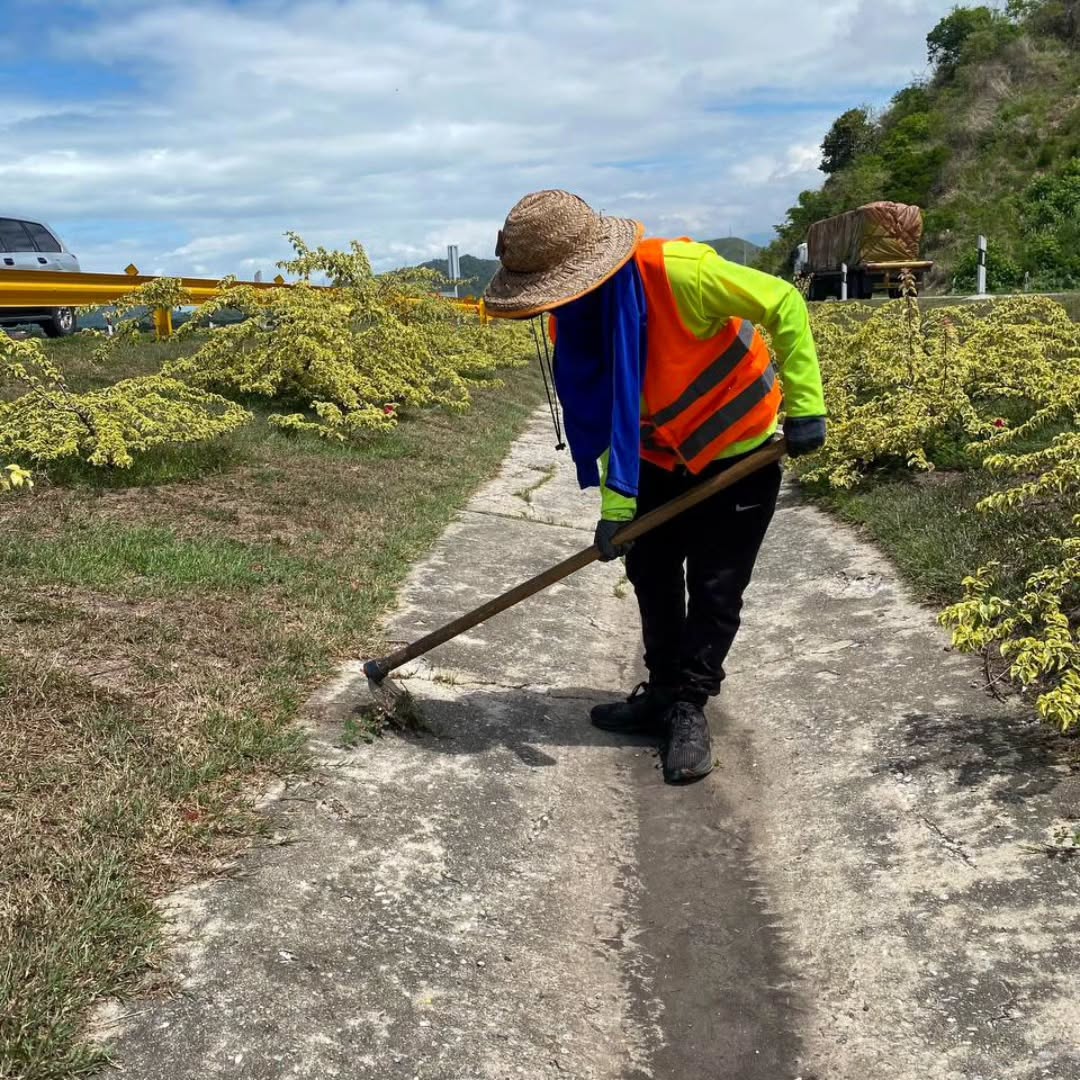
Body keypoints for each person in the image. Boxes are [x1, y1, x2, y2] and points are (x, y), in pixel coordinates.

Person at [483, 190, 826, 784]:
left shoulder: (681, 273)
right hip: (655, 460)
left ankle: (690, 705)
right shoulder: (576, 324)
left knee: (716, 587)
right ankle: (663, 693)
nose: (553, 307)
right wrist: (617, 511)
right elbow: (611, 422)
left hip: (740, 451)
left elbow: (784, 301)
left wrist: (807, 406)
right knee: (650, 569)